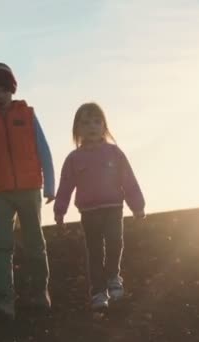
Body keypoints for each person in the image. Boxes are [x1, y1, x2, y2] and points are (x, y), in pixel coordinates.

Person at [0, 62, 55, 320]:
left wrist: (51, 185)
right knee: (2, 248)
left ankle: (39, 293)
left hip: (30, 188)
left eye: (2, 90)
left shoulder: (28, 115)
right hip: (0, 193)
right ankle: (4, 301)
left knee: (35, 244)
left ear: (11, 89)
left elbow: (43, 150)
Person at [53, 102, 146, 311]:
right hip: (89, 213)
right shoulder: (74, 159)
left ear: (104, 125)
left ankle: (113, 277)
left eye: (97, 121)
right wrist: (60, 211)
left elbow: (128, 180)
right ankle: (98, 292)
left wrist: (137, 206)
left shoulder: (115, 153)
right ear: (77, 130)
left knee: (115, 242)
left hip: (114, 208)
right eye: (85, 123)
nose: (92, 127)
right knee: (94, 252)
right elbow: (65, 186)